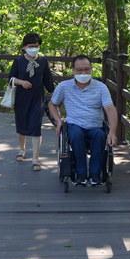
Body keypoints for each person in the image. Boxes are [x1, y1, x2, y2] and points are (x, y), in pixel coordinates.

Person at [48, 55, 118, 186]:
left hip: (95, 125)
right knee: (76, 135)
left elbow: (110, 109)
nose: (83, 73)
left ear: (91, 69)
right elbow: (52, 104)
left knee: (100, 136)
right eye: (79, 70)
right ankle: (80, 174)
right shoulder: (64, 86)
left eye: (86, 69)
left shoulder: (101, 87)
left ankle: (95, 175)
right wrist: (58, 121)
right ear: (73, 71)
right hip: (74, 124)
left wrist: (112, 132)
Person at [8, 32, 55, 171]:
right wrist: (21, 82)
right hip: (21, 98)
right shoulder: (18, 61)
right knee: (21, 124)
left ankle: (35, 158)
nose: (33, 48)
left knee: (36, 127)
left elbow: (49, 81)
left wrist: (56, 94)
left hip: (38, 99)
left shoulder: (43, 61)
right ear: (24, 47)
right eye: (30, 46)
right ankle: (21, 150)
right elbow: (10, 79)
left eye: (36, 46)